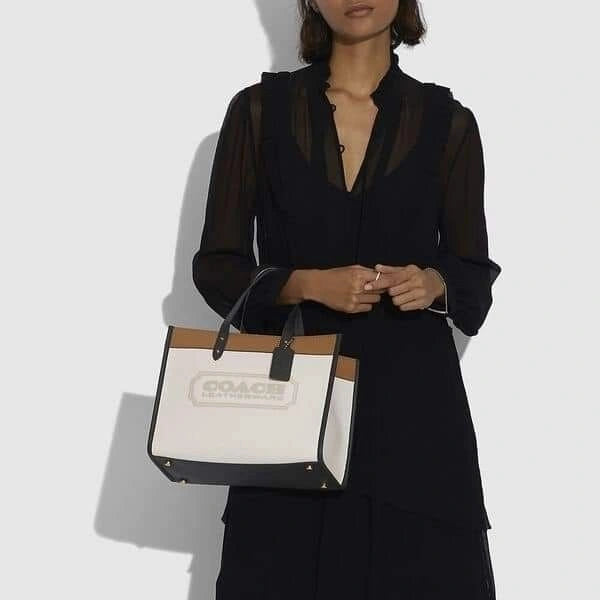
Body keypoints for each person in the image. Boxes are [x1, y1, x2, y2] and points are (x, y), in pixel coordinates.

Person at [192, 1, 501, 598]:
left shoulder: (448, 122)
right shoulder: (257, 111)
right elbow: (217, 268)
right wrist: (306, 283)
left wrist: (434, 282)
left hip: (414, 418)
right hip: (289, 412)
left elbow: (473, 273)